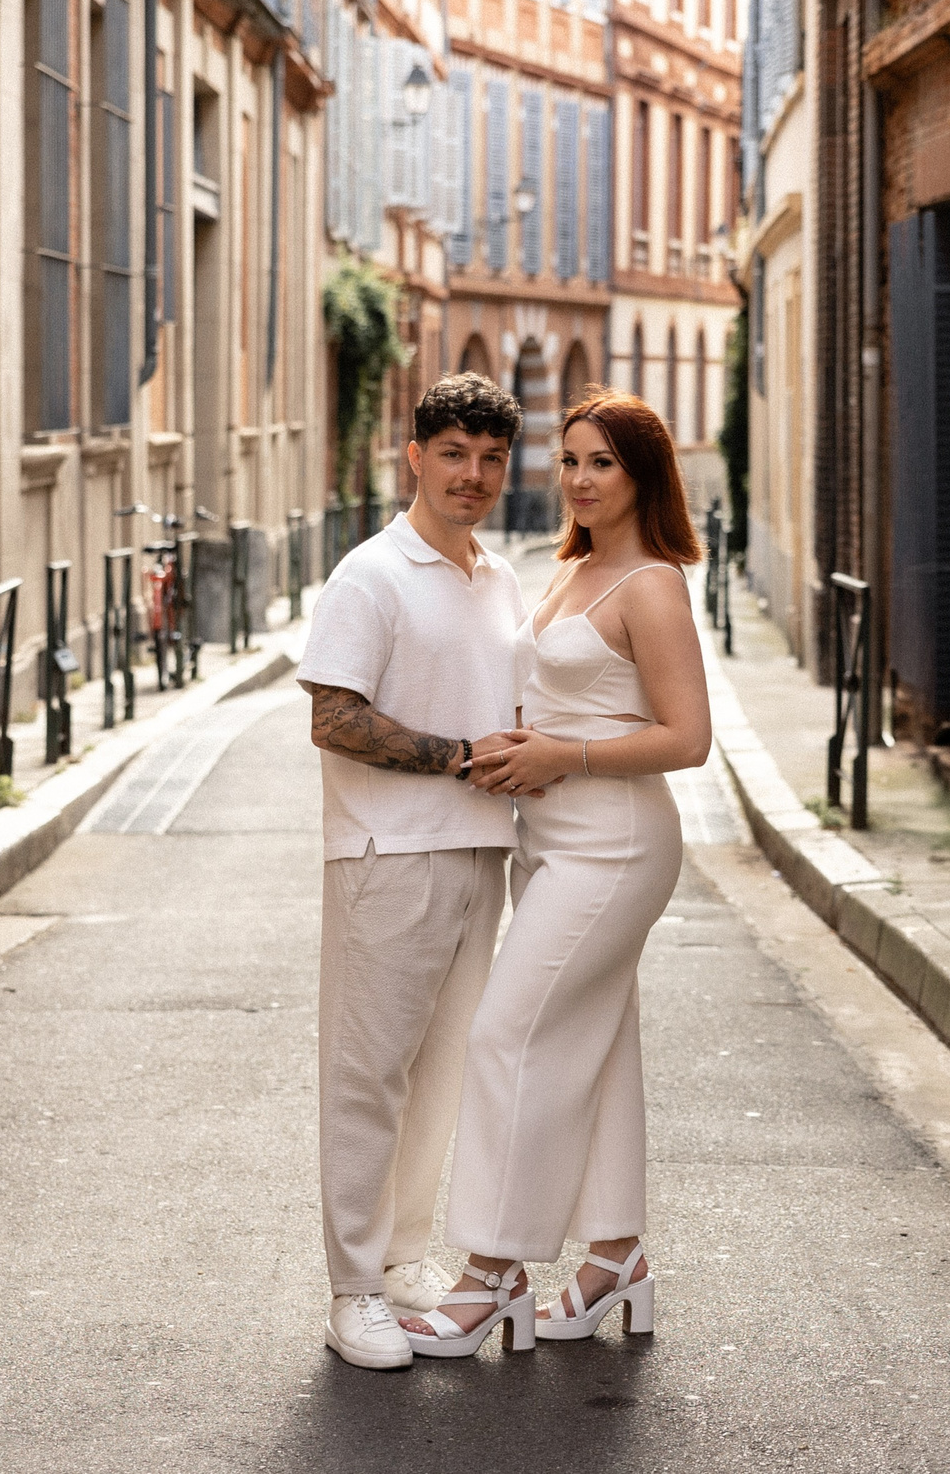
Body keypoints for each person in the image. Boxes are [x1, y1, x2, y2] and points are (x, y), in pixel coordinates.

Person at [398, 388, 710, 1359]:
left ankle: (491, 1271)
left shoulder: (651, 585)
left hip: (614, 845)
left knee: (508, 1037)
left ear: (644, 475)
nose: (577, 479)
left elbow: (688, 739)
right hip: (550, 839)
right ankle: (614, 1257)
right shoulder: (569, 568)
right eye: (569, 459)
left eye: (602, 463)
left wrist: (562, 756)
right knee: (599, 1043)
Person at [296, 373, 532, 1372]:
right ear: (415, 458)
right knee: (368, 1077)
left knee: (442, 1077)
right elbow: (332, 717)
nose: (470, 476)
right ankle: (352, 1289)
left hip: (481, 851)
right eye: (452, 455)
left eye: (488, 459)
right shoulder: (371, 574)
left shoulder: (500, 578)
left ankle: (401, 1261)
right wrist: (457, 757)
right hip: (387, 855)